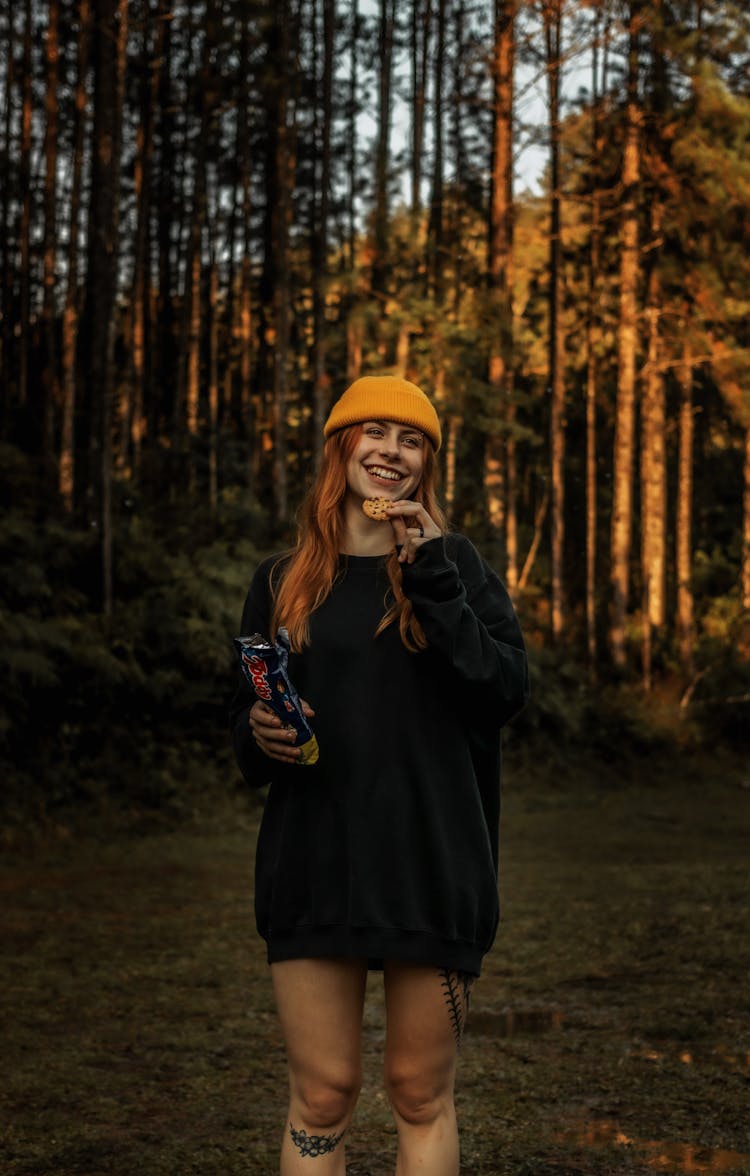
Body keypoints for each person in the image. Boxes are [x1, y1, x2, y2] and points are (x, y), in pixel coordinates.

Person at [230, 375, 529, 1175]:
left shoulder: (455, 564)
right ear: (341, 448)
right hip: (312, 860)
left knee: (418, 1092)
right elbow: (251, 736)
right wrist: (260, 734)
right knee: (322, 1093)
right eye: (374, 433)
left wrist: (430, 576)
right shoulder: (279, 579)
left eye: (412, 440)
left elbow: (502, 691)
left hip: (431, 859)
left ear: (426, 463)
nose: (390, 452)